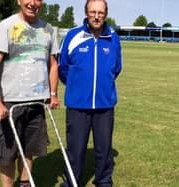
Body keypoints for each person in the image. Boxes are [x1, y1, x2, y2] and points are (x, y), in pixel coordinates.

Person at [0, 0, 59, 186]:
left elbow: (53, 65)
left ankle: (25, 184)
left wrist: (53, 93)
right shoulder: (7, 26)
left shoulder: (48, 29)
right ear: (19, 1)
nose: (32, 3)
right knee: (7, 154)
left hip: (36, 103)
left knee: (28, 150)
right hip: (9, 103)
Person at [58, 0, 122, 186]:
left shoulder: (113, 38)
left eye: (100, 12)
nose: (96, 16)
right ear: (86, 13)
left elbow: (116, 68)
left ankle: (103, 181)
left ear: (106, 14)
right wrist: (77, 86)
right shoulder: (73, 36)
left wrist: (102, 85)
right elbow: (63, 68)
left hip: (105, 104)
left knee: (104, 149)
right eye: (93, 12)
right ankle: (71, 182)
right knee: (76, 149)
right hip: (77, 104)